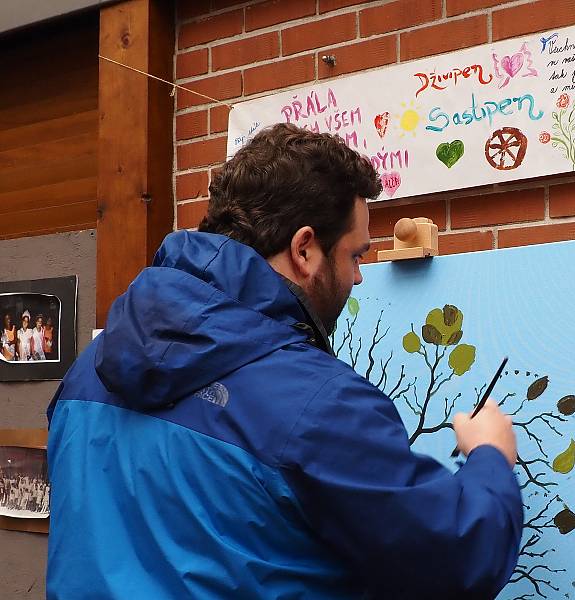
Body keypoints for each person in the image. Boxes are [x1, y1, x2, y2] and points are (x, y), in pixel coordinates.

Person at [46, 123, 522, 599]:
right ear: (304, 249)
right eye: (355, 255)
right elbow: (458, 556)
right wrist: (492, 457)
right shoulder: (319, 404)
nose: (359, 277)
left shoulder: (88, 369)